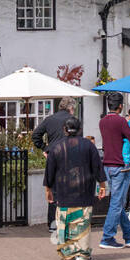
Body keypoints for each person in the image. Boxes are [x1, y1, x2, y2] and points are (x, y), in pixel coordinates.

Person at [43, 117, 108, 260]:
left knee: (64, 223)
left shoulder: (56, 147)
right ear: (80, 129)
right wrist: (102, 185)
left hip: (63, 192)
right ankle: (83, 253)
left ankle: (68, 252)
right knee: (82, 223)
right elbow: (97, 167)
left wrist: (48, 190)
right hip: (84, 191)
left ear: (64, 130)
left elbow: (49, 171)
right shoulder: (88, 145)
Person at [98, 95, 130, 250]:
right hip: (121, 165)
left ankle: (129, 235)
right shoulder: (121, 121)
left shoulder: (102, 121)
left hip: (107, 164)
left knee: (117, 202)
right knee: (117, 203)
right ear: (120, 107)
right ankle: (107, 237)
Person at [33, 96, 78, 230]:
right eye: (73, 109)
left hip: (53, 156)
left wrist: (45, 148)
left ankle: (53, 223)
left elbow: (35, 135)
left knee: (53, 190)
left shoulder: (49, 119)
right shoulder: (73, 121)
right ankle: (68, 221)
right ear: (70, 108)